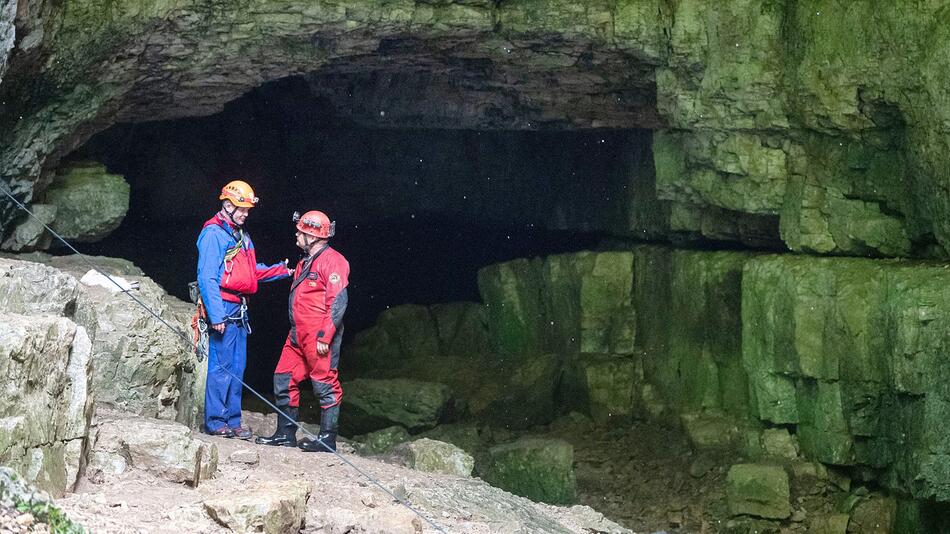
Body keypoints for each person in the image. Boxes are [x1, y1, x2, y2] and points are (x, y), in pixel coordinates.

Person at [196, 180, 291, 438]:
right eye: (241, 208)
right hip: (224, 306)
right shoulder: (214, 234)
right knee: (221, 367)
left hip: (239, 308)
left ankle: (233, 421)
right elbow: (207, 277)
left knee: (237, 368)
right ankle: (216, 422)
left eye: (248, 209)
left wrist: (282, 271)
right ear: (227, 205)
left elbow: (250, 273)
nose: (245, 214)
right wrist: (215, 315)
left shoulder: (240, 235)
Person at [256, 209, 349, 452]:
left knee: (325, 384)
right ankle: (286, 434)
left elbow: (338, 301)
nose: (296, 236)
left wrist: (325, 336)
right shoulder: (305, 262)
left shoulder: (333, 261)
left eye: (301, 232)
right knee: (283, 378)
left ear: (314, 236)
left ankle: (327, 439)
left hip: (318, 335)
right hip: (298, 333)